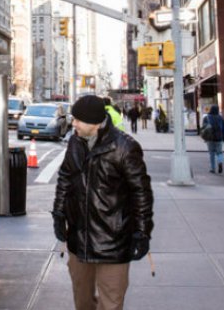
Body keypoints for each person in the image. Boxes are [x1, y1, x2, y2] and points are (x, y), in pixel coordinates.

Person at [52, 95, 154, 310]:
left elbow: (141, 193)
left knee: (111, 304)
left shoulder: (125, 147)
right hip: (79, 240)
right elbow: (65, 177)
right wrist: (59, 214)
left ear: (95, 123)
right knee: (82, 302)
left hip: (113, 242)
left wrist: (142, 232)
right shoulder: (75, 142)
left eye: (78, 120)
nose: (74, 123)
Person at [202, 105, 224, 174]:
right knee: (219, 153)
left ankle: (212, 168)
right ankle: (220, 162)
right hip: (219, 138)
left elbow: (203, 128)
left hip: (210, 138)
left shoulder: (206, 118)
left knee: (211, 154)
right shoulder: (221, 118)